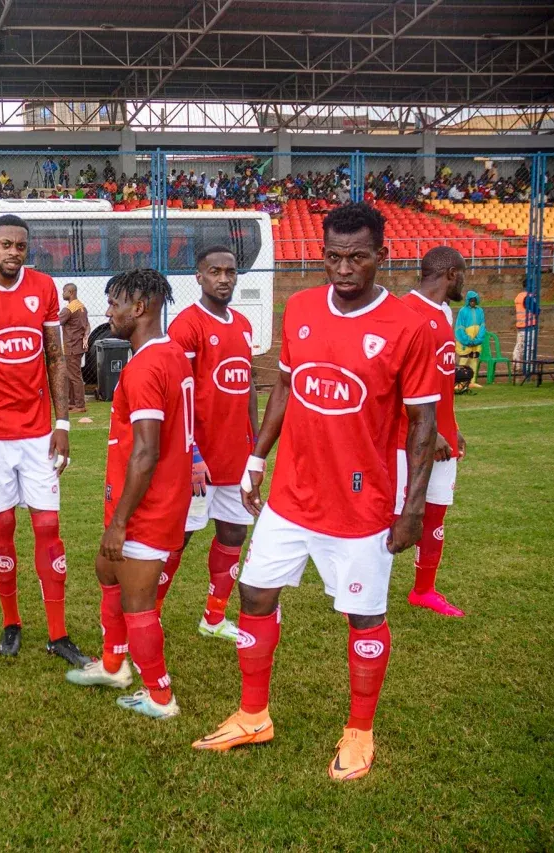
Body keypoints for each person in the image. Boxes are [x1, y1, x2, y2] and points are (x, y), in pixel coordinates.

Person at [192, 203, 439, 782]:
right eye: (334, 257)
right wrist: (257, 457)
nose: (344, 268)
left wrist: (413, 511)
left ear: (382, 255)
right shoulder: (301, 308)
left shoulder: (407, 327)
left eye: (358, 257)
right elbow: (285, 386)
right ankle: (253, 715)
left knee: (363, 615)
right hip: (290, 496)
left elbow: (424, 426)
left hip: (361, 504)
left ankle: (360, 731)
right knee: (255, 593)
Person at [0, 214, 88, 667]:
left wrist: (63, 424)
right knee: (3, 525)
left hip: (38, 434)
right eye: (5, 244)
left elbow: (55, 358)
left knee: (48, 527)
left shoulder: (43, 288)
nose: (13, 252)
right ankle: (11, 622)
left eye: (20, 246)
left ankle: (58, 633)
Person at [63, 268, 192, 720]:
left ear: (138, 308)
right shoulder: (172, 354)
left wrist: (120, 522)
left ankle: (160, 696)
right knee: (107, 571)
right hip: (146, 497)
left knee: (138, 603)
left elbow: (146, 451)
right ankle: (114, 665)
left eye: (115, 303)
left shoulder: (145, 367)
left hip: (148, 507)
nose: (108, 311)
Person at [156, 246, 258, 641]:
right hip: (197, 460)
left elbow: (248, 386)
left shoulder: (244, 324)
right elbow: (175, 394)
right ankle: (150, 614)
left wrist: (255, 448)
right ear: (199, 277)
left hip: (236, 457)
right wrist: (192, 453)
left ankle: (213, 618)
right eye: (215, 271)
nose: (224, 278)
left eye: (230, 272)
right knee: (176, 538)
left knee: (234, 534)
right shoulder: (187, 325)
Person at [397, 247, 468, 617]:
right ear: (451, 274)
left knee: (435, 516)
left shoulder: (444, 312)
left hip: (443, 437)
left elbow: (437, 383)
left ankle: (423, 590)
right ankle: (359, 592)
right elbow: (389, 383)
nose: (464, 282)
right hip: (405, 440)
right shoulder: (404, 313)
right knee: (388, 517)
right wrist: (427, 430)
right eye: (464, 275)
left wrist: (453, 428)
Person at [58, 283, 89, 412]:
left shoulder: (69, 309)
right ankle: (72, 402)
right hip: (78, 346)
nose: (62, 294)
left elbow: (57, 321)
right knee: (70, 375)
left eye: (64, 291)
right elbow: (87, 325)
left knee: (74, 376)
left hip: (71, 346)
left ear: (70, 292)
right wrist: (85, 336)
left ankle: (80, 405)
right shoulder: (82, 307)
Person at [454, 290, 486, 389]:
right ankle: (459, 382)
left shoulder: (480, 311)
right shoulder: (463, 311)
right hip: (465, 342)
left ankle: (472, 381)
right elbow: (459, 327)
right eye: (471, 301)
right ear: (468, 301)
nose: (473, 302)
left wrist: (478, 340)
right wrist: (466, 340)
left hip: (476, 342)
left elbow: (482, 326)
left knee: (474, 359)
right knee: (464, 359)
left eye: (474, 301)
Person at [513, 288, 537, 369]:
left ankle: (516, 365)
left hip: (521, 325)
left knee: (519, 346)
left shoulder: (519, 296)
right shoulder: (528, 297)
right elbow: (536, 310)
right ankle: (528, 367)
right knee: (529, 348)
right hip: (529, 325)